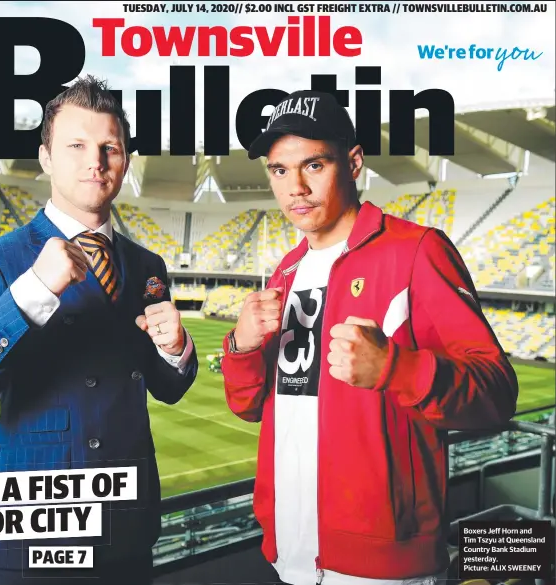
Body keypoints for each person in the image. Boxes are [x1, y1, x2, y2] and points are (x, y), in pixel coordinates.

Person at [221, 90, 519, 585]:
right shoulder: (285, 272)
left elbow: (496, 393)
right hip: (288, 551)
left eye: (313, 165)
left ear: (354, 162)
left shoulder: (416, 251)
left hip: (383, 565)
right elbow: (250, 406)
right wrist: (243, 347)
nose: (295, 186)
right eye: (278, 170)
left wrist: (397, 370)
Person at [0, 75, 199, 585]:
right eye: (76, 145)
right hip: (31, 541)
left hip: (127, 535)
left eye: (109, 147)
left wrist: (176, 350)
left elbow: (167, 389)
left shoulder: (148, 264)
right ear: (46, 157)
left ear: (125, 160)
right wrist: (33, 290)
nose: (94, 161)